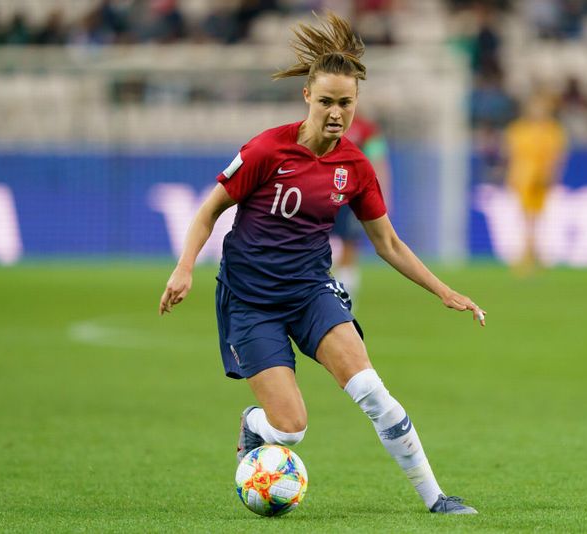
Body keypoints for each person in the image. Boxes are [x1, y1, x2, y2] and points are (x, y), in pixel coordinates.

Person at [158, 12, 486, 515]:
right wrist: (184, 268)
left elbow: (388, 243)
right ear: (307, 96)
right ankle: (254, 424)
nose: (336, 113)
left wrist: (445, 291)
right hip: (251, 302)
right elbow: (209, 211)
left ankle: (436, 498)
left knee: (372, 390)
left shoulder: (354, 167)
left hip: (311, 292)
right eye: (327, 101)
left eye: (346, 103)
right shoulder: (266, 149)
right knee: (290, 430)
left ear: (356, 104)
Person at [504, 92, 567, 275]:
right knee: (526, 218)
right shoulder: (517, 129)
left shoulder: (552, 130)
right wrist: (511, 176)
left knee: (538, 218)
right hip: (522, 178)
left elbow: (556, 156)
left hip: (542, 179)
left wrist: (552, 175)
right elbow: (511, 155)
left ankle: (534, 255)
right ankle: (530, 256)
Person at [331, 113, 391, 302]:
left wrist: (382, 195)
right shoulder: (325, 125)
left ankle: (345, 296)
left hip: (352, 198)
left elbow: (378, 162)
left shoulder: (367, 130)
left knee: (349, 244)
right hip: (325, 194)